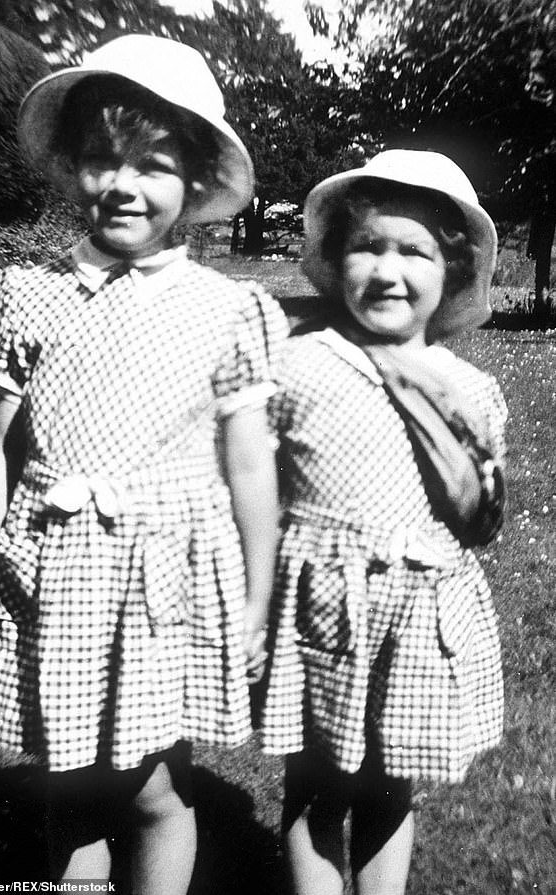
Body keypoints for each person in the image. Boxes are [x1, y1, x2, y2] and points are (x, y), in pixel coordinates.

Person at [0, 34, 287, 891]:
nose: (124, 184)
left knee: (150, 786)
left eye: (153, 165)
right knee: (68, 782)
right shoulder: (30, 294)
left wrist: (257, 597)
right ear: (71, 168)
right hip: (53, 571)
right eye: (101, 159)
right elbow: (3, 446)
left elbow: (252, 469)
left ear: (197, 181)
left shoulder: (226, 310)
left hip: (157, 581)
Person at [260, 150, 507, 895]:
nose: (388, 268)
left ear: (453, 272)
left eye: (414, 251)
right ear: (338, 257)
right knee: (314, 786)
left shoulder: (471, 389)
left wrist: (474, 471)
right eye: (368, 245)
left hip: (419, 612)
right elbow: (256, 491)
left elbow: (481, 519)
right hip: (319, 608)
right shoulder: (299, 363)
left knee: (391, 785)